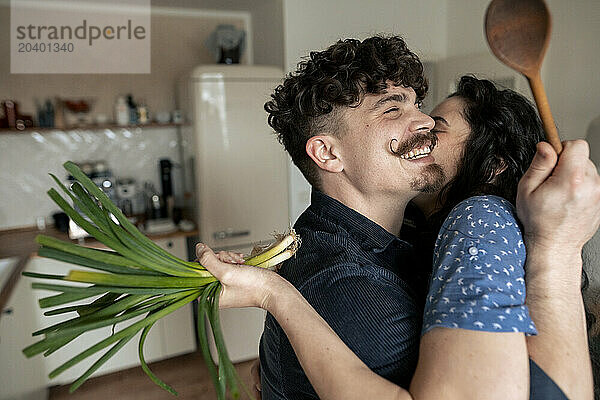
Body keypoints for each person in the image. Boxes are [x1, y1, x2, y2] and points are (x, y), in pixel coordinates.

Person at [199, 36, 600, 399]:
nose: (425, 121)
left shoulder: (394, 238)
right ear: (329, 154)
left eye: (416, 104)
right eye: (392, 109)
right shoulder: (350, 285)